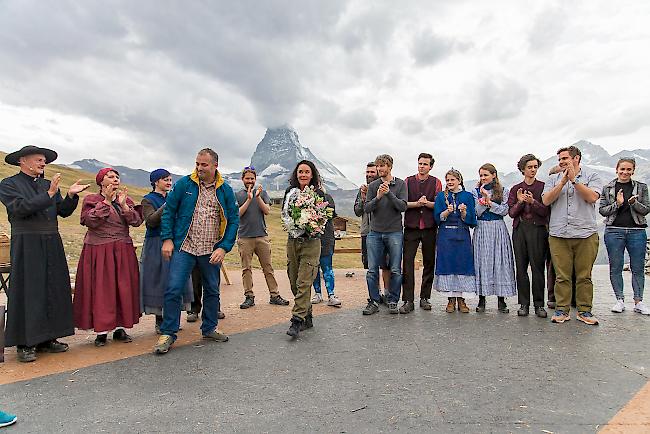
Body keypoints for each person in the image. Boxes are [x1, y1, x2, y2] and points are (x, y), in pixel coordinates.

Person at [0, 146, 89, 363]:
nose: (43, 163)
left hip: (52, 241)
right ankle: (25, 343)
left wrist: (69, 196)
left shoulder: (47, 184)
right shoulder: (9, 184)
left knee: (53, 288)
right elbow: (20, 208)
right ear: (23, 161)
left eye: (44, 161)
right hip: (27, 242)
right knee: (30, 290)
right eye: (39, 160)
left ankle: (48, 338)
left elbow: (62, 211)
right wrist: (48, 194)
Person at [154, 148, 239, 354]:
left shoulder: (225, 190)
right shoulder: (184, 185)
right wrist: (167, 239)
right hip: (185, 247)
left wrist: (223, 247)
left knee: (212, 289)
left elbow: (233, 221)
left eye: (204, 164)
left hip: (211, 249)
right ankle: (168, 332)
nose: (199, 168)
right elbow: (169, 212)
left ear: (215, 165)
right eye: (197, 164)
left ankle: (209, 328)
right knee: (173, 288)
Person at [74, 168, 143, 346]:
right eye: (110, 176)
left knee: (122, 288)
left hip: (122, 250)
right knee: (101, 289)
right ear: (101, 181)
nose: (115, 179)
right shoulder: (91, 200)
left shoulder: (125, 200)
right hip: (98, 250)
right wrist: (106, 201)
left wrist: (125, 206)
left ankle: (120, 328)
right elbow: (90, 221)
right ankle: (102, 331)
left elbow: (136, 221)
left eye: (117, 177)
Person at [543, 145, 603, 325]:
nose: (561, 162)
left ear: (576, 159)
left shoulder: (592, 176)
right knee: (562, 275)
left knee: (584, 275)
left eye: (565, 158)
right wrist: (562, 182)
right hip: (559, 233)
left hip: (585, 233)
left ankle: (585, 310)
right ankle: (562, 310)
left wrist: (574, 181)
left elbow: (592, 197)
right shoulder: (553, 179)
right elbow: (546, 200)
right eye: (559, 159)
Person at [140, 169, 193, 334]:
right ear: (156, 181)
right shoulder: (147, 200)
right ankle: (160, 321)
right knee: (159, 281)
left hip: (175, 242)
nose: (169, 183)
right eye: (165, 180)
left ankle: (173, 319)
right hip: (156, 243)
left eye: (170, 180)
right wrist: (167, 204)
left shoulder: (174, 198)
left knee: (175, 279)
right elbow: (151, 222)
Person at [599, 157, 650, 315]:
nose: (625, 172)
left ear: (633, 171)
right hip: (614, 230)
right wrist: (618, 204)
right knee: (616, 267)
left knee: (638, 267)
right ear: (617, 169)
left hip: (637, 231)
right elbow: (603, 210)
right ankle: (619, 300)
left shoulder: (641, 188)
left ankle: (638, 301)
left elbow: (646, 209)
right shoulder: (608, 188)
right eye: (622, 169)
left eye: (629, 169)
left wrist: (634, 203)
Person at [282, 160, 327, 337]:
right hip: (293, 241)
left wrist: (312, 223)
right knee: (293, 280)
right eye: (300, 171)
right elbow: (285, 214)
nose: (303, 175)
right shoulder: (289, 192)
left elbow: (323, 218)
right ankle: (307, 315)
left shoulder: (319, 194)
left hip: (311, 242)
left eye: (307, 172)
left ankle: (296, 320)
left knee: (304, 281)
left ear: (312, 174)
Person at [236, 166, 289, 309]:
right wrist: (248, 199)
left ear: (255, 179)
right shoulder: (238, 195)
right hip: (244, 237)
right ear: (242, 179)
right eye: (247, 178)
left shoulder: (262, 193)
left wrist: (257, 197)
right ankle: (249, 296)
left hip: (261, 236)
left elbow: (266, 211)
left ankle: (274, 295)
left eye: (252, 179)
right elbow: (237, 214)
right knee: (246, 269)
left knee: (268, 267)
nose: (249, 181)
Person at [362, 154, 408, 315]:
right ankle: (374, 301)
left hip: (394, 232)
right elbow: (367, 208)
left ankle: (393, 300)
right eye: (378, 166)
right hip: (375, 233)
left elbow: (402, 206)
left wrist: (389, 193)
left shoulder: (400, 184)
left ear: (390, 167)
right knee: (372, 270)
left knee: (395, 269)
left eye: (382, 166)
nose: (379, 169)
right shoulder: (374, 186)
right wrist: (378, 196)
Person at [507, 154, 551, 318]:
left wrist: (533, 202)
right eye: (529, 167)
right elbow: (511, 213)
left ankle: (539, 304)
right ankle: (524, 304)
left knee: (538, 268)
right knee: (521, 268)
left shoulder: (543, 187)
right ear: (522, 169)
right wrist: (520, 202)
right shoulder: (515, 189)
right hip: (520, 230)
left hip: (537, 230)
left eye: (535, 167)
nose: (533, 170)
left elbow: (546, 211)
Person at [400, 152, 442, 313]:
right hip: (411, 227)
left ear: (430, 166)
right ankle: (408, 300)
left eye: (425, 164)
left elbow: (439, 205)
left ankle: (425, 297)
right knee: (408, 263)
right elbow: (403, 204)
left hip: (430, 227)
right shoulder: (408, 181)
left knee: (429, 262)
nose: (422, 166)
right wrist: (417, 204)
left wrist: (427, 203)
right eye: (420, 163)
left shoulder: (436, 182)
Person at [473, 164, 517, 313]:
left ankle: (501, 299)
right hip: (482, 227)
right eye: (481, 175)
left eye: (485, 175)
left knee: (500, 261)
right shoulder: (475, 192)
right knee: (482, 262)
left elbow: (504, 210)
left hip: (498, 228)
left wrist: (489, 201)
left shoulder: (504, 191)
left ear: (494, 175)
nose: (483, 178)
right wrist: (483, 201)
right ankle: (481, 298)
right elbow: (476, 213)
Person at [433, 169, 477, 313]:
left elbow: (472, 220)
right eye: (448, 180)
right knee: (448, 265)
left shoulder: (468, 196)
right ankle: (450, 300)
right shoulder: (440, 196)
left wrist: (464, 212)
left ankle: (461, 300)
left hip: (462, 236)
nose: (450, 182)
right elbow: (436, 218)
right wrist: (446, 212)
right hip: (445, 236)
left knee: (462, 265)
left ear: (459, 180)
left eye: (453, 180)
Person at [353, 162, 390, 298]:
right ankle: (376, 294)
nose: (369, 175)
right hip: (367, 232)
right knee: (371, 266)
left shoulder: (385, 187)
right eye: (367, 172)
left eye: (372, 172)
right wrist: (363, 198)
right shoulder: (361, 190)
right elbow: (357, 211)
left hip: (385, 230)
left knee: (386, 265)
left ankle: (387, 293)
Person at [311, 191, 342, 307]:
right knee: (314, 268)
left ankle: (331, 294)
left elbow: (332, 214)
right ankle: (317, 293)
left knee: (327, 267)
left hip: (326, 237)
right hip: (312, 237)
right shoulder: (305, 198)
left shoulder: (327, 197)